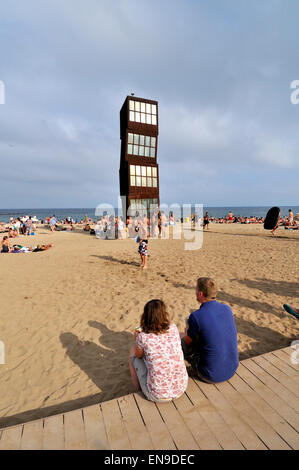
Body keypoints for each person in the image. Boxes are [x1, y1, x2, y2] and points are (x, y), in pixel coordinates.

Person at [129, 299, 188, 402]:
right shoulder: (173, 328)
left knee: (132, 353)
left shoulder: (143, 336)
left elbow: (138, 355)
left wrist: (137, 338)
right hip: (181, 388)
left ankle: (140, 391)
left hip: (158, 395)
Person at [181, 277, 239, 383]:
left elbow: (188, 341)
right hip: (232, 368)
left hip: (210, 374)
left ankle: (179, 370)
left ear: (200, 294)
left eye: (196, 289)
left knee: (183, 341)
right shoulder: (226, 309)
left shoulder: (196, 316)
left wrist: (186, 333)